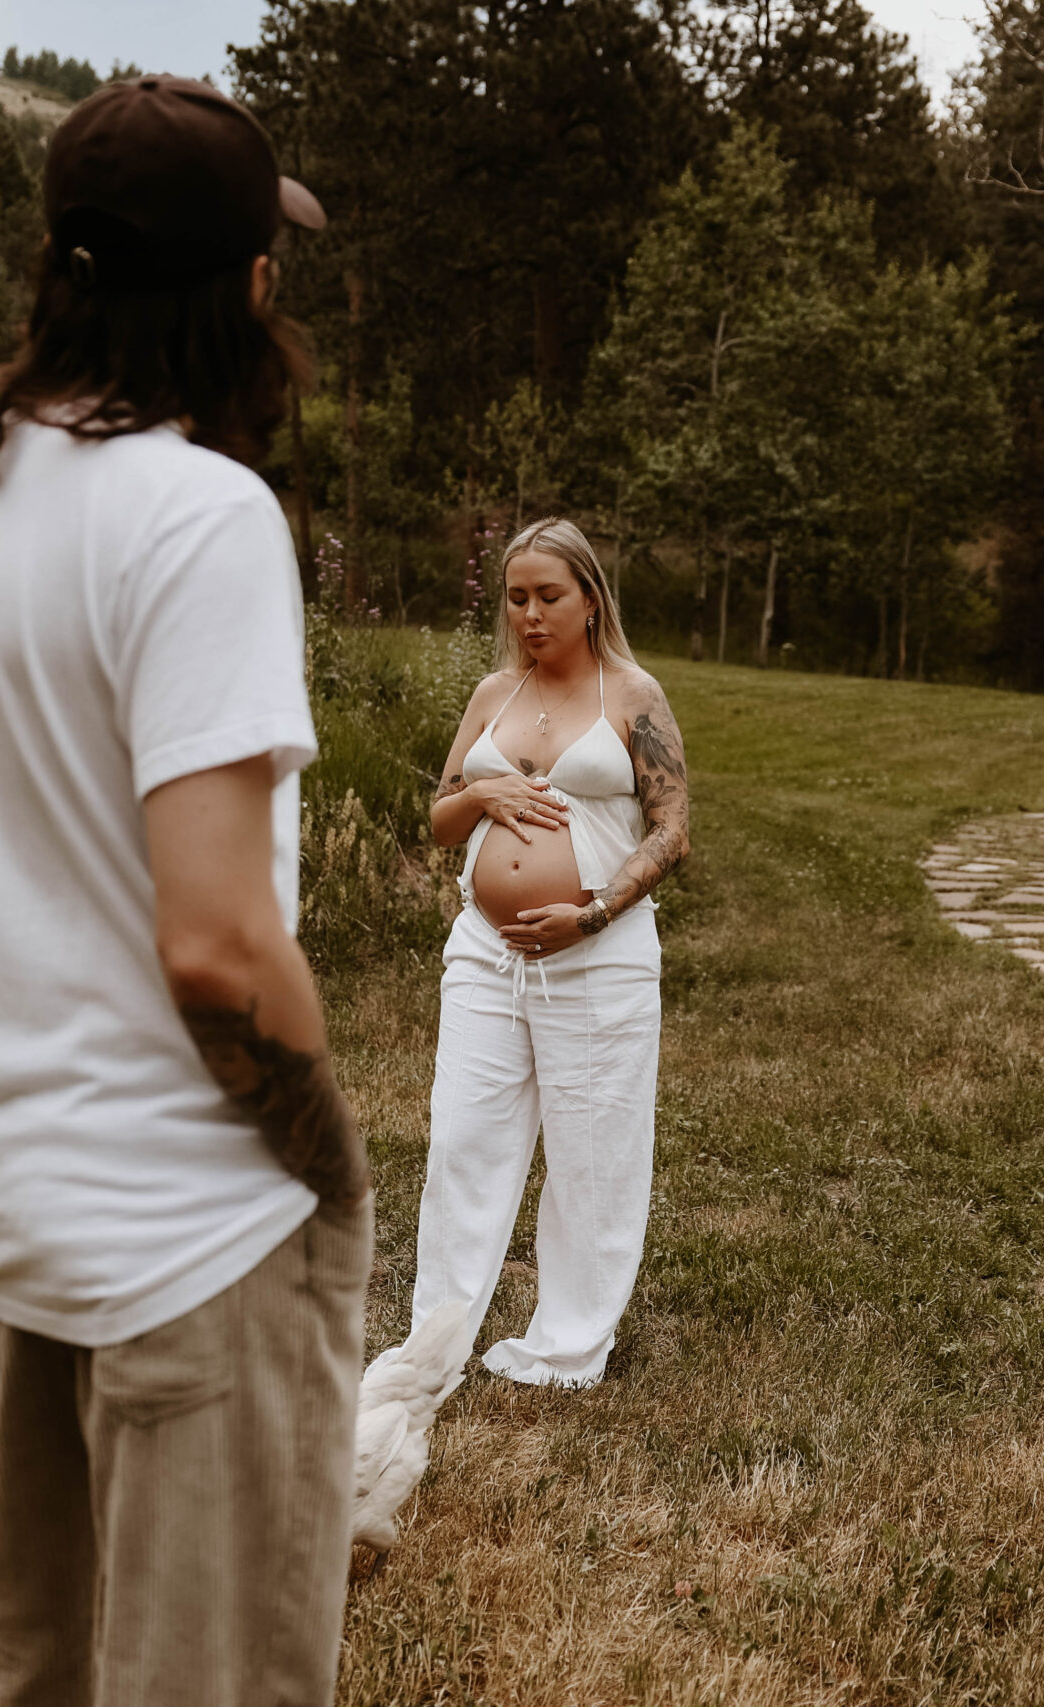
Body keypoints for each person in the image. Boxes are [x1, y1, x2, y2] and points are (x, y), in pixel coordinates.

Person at [0, 76, 369, 1707]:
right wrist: (327, 1161)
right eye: (263, 258)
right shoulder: (204, 517)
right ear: (238, 288)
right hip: (191, 1227)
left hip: (10, 1200)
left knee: (44, 1668)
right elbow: (220, 941)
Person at [379, 518, 690, 1392]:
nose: (530, 613)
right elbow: (441, 822)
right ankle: (434, 1345)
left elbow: (673, 831)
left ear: (591, 598)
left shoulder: (633, 695)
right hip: (485, 954)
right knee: (464, 1144)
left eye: (549, 595)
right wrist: (481, 788)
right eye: (516, 596)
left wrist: (590, 915)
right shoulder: (493, 694)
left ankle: (566, 1349)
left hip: (597, 958)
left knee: (594, 1157)